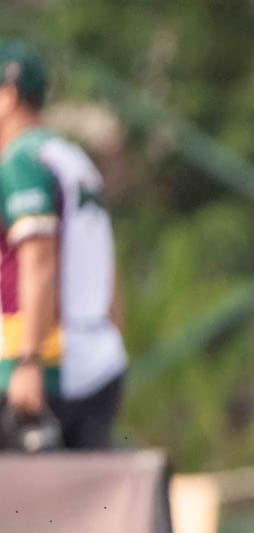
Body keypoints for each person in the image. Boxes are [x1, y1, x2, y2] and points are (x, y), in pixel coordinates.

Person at [0, 40, 126, 450]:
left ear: (9, 95)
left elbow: (39, 263)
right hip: (100, 360)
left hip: (46, 367)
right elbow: (107, 263)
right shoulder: (72, 157)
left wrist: (28, 361)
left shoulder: (21, 160)